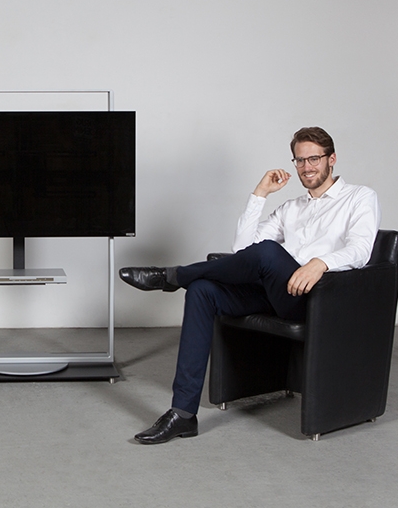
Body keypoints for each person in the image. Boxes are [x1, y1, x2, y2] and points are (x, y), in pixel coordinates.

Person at [119, 127, 380, 444]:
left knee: (268, 252)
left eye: (314, 159)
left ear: (331, 159)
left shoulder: (360, 197)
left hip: (317, 299)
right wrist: (260, 194)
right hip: (275, 293)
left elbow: (360, 250)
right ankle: (183, 415)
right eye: (300, 160)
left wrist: (320, 263)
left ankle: (172, 277)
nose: (307, 167)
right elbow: (243, 250)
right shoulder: (291, 207)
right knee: (202, 292)